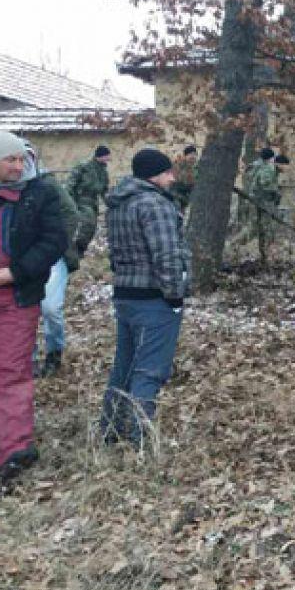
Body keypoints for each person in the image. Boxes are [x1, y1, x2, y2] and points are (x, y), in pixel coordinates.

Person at [0, 131, 68, 483]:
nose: (18, 167)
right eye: (11, 160)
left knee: (11, 371)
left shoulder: (40, 193)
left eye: (22, 159)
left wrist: (16, 273)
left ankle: (14, 451)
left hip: (15, 295)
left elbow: (54, 241)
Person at [100, 148, 190, 446]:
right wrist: (175, 297)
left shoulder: (119, 204)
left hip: (125, 295)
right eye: (168, 172)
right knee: (151, 370)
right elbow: (167, 256)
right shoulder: (155, 204)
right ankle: (141, 440)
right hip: (154, 299)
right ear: (155, 174)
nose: (172, 177)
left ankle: (111, 430)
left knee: (124, 367)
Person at [29, 143, 80, 378]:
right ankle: (27, 357)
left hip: (52, 256)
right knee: (22, 311)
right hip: (18, 260)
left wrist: (55, 242)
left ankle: (54, 352)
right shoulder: (1, 188)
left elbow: (71, 214)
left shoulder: (48, 184)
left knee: (50, 308)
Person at [66, 144, 111, 256]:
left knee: (91, 228)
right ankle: (74, 251)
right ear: (101, 156)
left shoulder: (103, 171)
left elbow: (104, 190)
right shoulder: (84, 167)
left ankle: (79, 251)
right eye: (107, 156)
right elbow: (70, 183)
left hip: (93, 202)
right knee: (87, 224)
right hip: (81, 200)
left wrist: (110, 203)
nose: (109, 159)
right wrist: (69, 201)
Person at [170, 145, 198, 212]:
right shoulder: (178, 166)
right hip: (176, 196)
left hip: (184, 198)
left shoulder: (192, 168)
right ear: (185, 155)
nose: (193, 157)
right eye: (191, 154)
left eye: (195, 155)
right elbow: (177, 181)